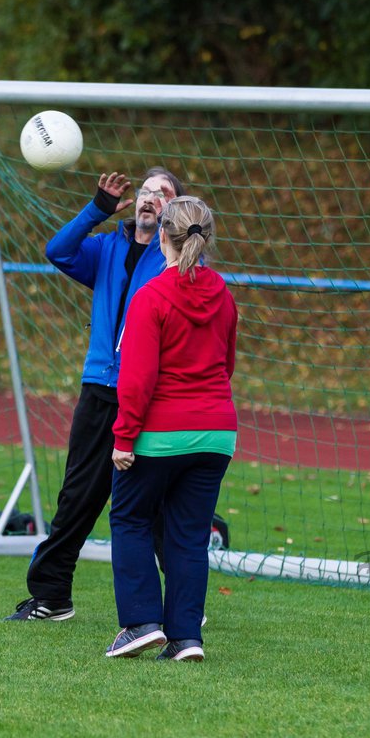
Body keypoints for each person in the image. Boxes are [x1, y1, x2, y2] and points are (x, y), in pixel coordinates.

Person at [4, 166, 184, 621]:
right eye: (145, 191)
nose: (148, 198)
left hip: (152, 398)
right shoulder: (106, 247)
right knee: (78, 497)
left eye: (162, 194)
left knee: (159, 505)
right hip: (100, 391)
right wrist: (98, 209)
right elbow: (58, 250)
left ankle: (182, 605)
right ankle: (51, 596)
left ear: (175, 211)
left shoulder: (175, 263)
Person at [103, 196, 238, 662]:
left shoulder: (151, 297)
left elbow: (136, 379)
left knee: (130, 518)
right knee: (188, 534)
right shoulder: (223, 293)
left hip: (161, 432)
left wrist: (124, 438)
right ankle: (185, 638)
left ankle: (140, 622)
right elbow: (228, 364)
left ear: (162, 237)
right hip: (217, 433)